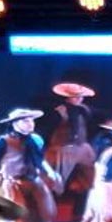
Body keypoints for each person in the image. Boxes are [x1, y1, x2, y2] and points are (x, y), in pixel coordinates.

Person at [45, 82, 101, 215]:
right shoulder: (60, 111)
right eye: (76, 96)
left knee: (89, 178)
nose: (80, 99)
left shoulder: (84, 110)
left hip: (82, 147)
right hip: (63, 148)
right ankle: (51, 209)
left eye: (81, 96)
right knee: (57, 180)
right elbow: (48, 129)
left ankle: (81, 210)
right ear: (68, 97)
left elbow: (90, 124)